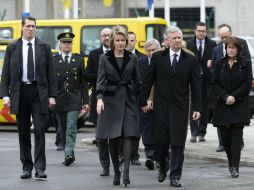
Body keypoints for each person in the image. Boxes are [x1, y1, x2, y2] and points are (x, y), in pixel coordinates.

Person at [140, 26, 201, 187]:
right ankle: (163, 166)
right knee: (161, 143)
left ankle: (175, 175)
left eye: (180, 37)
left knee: (178, 144)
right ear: (167, 41)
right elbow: (148, 80)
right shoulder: (158, 57)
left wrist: (197, 108)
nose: (178, 40)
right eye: (174, 38)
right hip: (161, 107)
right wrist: (143, 101)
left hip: (180, 108)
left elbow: (196, 86)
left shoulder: (190, 59)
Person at [0, 16, 57, 179]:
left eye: (34, 26)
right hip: (20, 93)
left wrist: (52, 96)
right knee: (23, 131)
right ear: (22, 28)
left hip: (38, 93)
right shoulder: (13, 47)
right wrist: (5, 95)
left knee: (39, 129)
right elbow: (6, 75)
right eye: (28, 26)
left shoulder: (44, 47)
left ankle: (40, 168)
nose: (31, 29)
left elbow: (50, 74)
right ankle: (26, 167)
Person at [96, 25, 141, 187]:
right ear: (113, 42)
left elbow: (138, 81)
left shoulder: (132, 57)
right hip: (110, 100)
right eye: (118, 40)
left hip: (129, 99)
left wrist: (141, 100)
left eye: (123, 40)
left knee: (129, 135)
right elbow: (100, 80)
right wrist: (99, 99)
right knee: (113, 138)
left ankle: (126, 170)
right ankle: (116, 170)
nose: (121, 43)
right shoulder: (104, 58)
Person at [212, 36, 252, 178]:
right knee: (225, 138)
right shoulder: (219, 63)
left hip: (239, 106)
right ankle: (231, 162)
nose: (230, 50)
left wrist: (234, 96)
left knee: (236, 137)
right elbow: (214, 83)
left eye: (233, 47)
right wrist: (225, 96)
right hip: (222, 106)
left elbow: (247, 85)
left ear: (238, 49)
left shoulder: (245, 63)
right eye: (228, 47)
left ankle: (235, 166)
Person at [54, 32, 89, 166]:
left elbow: (83, 83)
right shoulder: (54, 60)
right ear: (60, 44)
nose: (67, 44)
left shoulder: (79, 60)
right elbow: (50, 81)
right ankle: (69, 153)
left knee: (71, 127)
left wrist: (85, 102)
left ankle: (68, 152)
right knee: (62, 128)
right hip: (59, 99)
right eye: (64, 42)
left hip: (74, 99)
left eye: (69, 42)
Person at [85, 28, 112, 176]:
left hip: (115, 100)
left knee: (116, 136)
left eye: (109, 35)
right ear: (100, 38)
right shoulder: (94, 54)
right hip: (99, 100)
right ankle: (105, 166)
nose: (106, 38)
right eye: (104, 36)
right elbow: (87, 75)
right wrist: (102, 75)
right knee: (101, 136)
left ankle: (117, 161)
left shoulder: (119, 53)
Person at [186, 21, 217, 143]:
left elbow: (216, 61)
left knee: (205, 106)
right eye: (199, 31)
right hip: (193, 79)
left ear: (206, 32)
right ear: (195, 31)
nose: (201, 33)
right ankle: (194, 133)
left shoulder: (213, 44)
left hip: (207, 80)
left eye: (203, 31)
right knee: (193, 105)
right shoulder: (189, 44)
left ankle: (202, 132)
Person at [138, 39, 161, 170]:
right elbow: (138, 84)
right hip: (144, 102)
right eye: (149, 50)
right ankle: (150, 155)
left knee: (159, 129)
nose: (151, 52)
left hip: (160, 101)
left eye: (154, 50)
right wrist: (143, 103)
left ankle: (159, 156)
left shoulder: (163, 61)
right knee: (146, 129)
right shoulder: (140, 63)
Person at [124, 31, 145, 166]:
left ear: (135, 41)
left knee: (136, 128)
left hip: (137, 97)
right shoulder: (119, 57)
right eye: (128, 40)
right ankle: (122, 154)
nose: (130, 43)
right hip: (123, 97)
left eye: (132, 40)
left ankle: (135, 155)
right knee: (123, 128)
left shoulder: (141, 58)